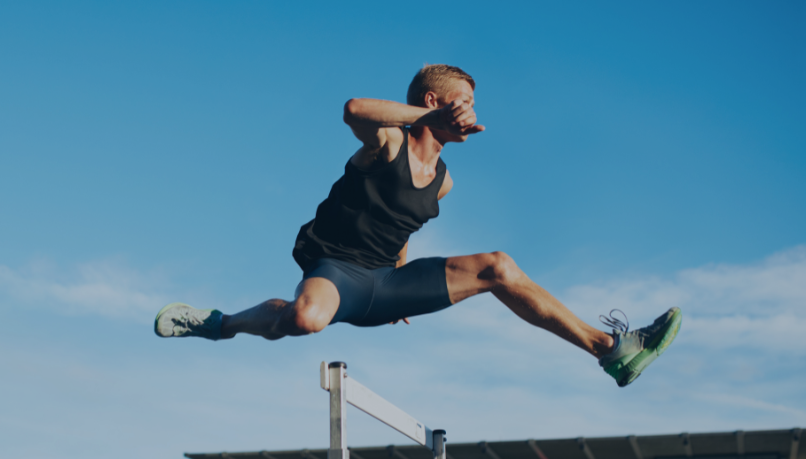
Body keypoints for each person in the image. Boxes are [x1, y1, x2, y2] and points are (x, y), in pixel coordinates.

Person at [154, 64, 680, 387]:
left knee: (499, 266)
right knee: (306, 319)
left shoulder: (445, 182)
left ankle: (613, 351)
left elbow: (402, 229)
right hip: (337, 271)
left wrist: (401, 287)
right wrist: (425, 120)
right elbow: (353, 107)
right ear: (433, 103)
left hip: (388, 285)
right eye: (466, 103)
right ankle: (219, 324)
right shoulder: (388, 142)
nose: (474, 115)